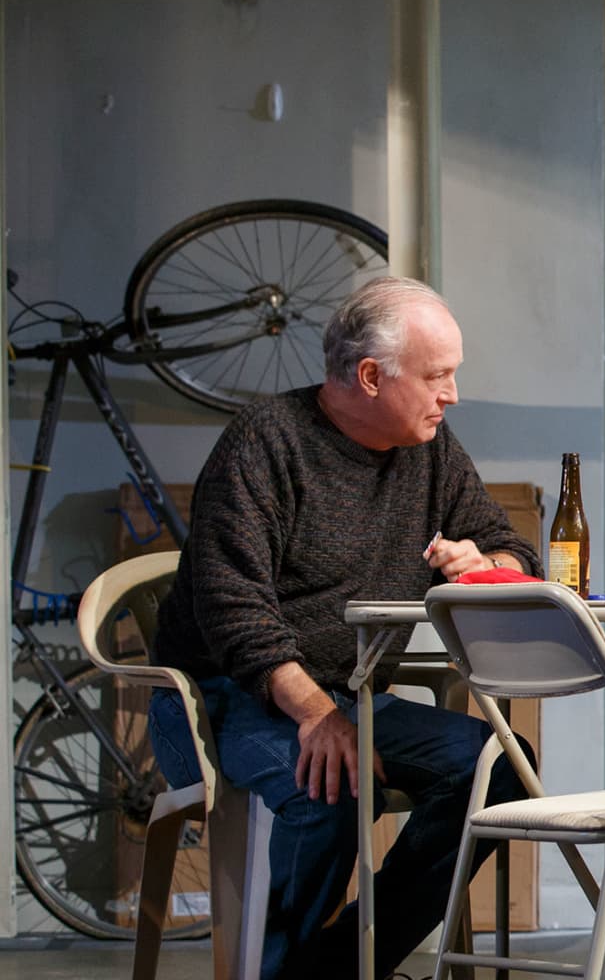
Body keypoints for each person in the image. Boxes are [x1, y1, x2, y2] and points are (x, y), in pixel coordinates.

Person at [148, 277, 535, 980]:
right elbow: (235, 613)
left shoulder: (430, 452)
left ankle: (340, 966)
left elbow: (515, 551)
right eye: (437, 376)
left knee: (499, 771)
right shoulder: (265, 444)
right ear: (369, 376)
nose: (451, 395)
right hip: (220, 696)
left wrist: (487, 561)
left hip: (349, 693)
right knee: (328, 788)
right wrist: (316, 714)